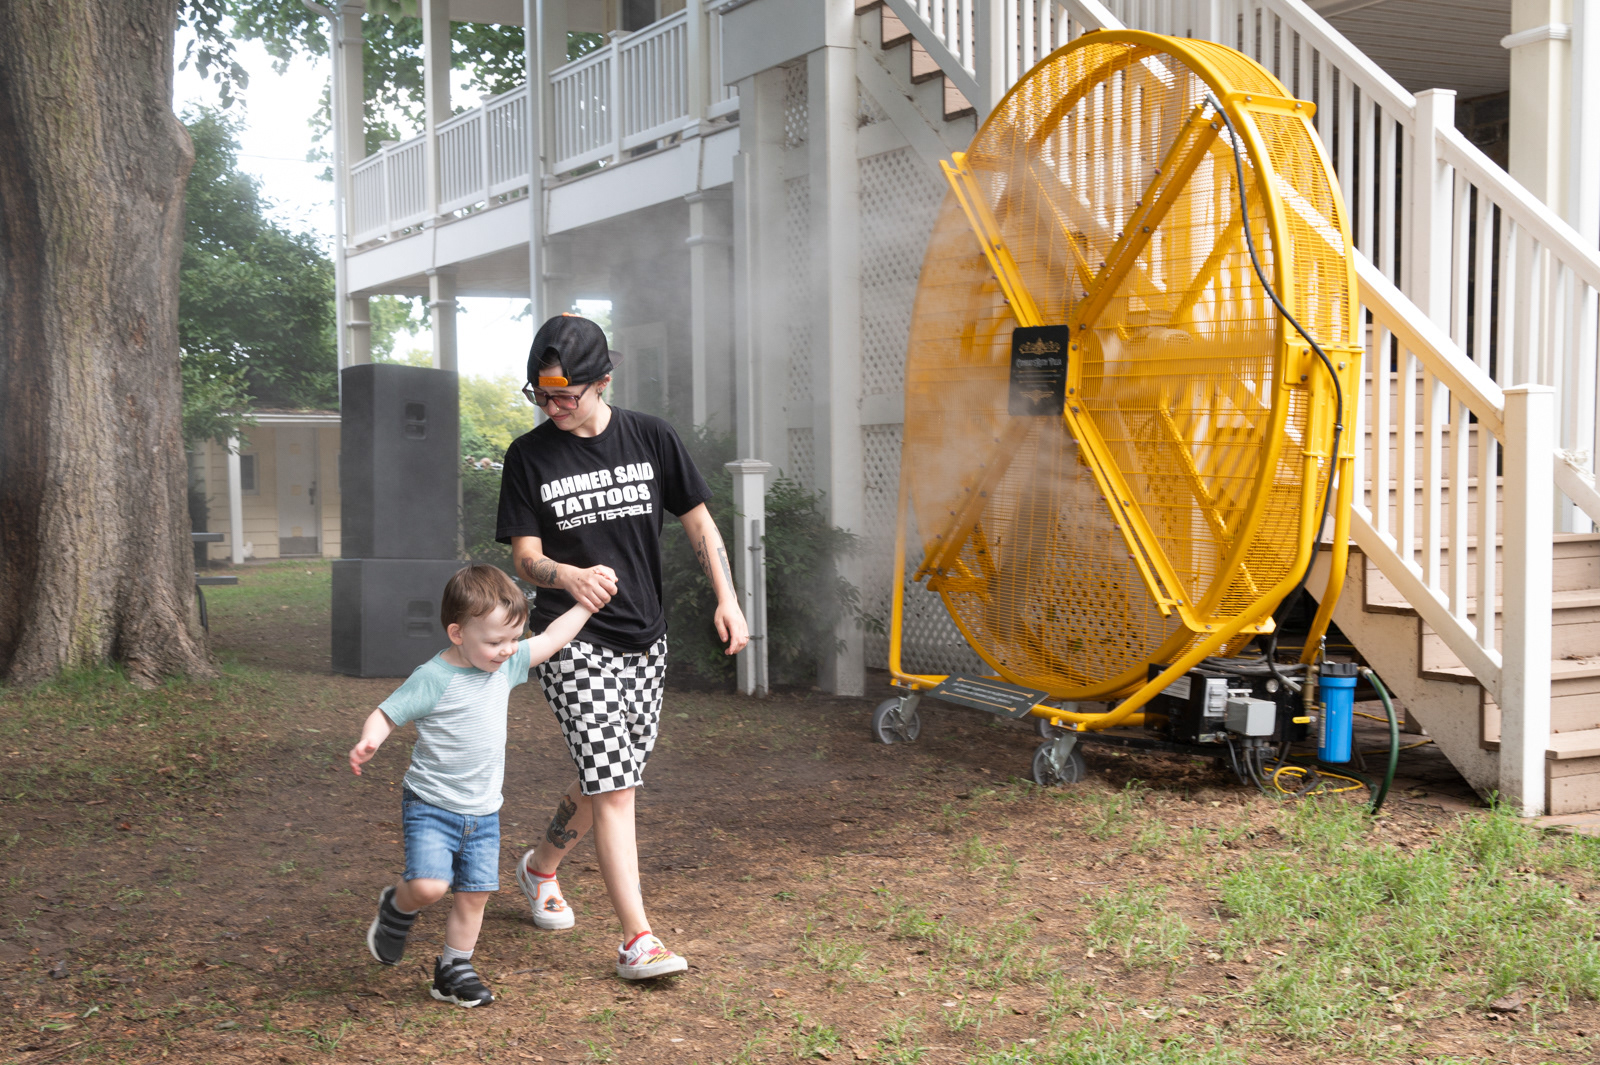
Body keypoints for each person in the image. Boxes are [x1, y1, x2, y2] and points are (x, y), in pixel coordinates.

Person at [496, 313, 749, 980]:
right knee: (615, 786)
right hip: (570, 636)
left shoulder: (651, 437)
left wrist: (727, 598)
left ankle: (539, 867)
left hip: (646, 637)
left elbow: (699, 522)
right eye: (540, 394)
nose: (551, 406)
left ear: (603, 381)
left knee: (610, 773)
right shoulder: (529, 456)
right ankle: (639, 939)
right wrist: (567, 575)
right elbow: (525, 556)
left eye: (564, 394)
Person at [348, 564, 592, 1007]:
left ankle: (453, 970)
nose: (507, 650)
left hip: (483, 811)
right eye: (495, 641)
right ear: (458, 634)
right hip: (432, 804)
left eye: (514, 638)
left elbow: (554, 637)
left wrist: (587, 604)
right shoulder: (433, 678)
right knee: (429, 887)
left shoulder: (507, 664)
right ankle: (397, 907)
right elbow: (387, 713)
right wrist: (371, 740)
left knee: (475, 894)